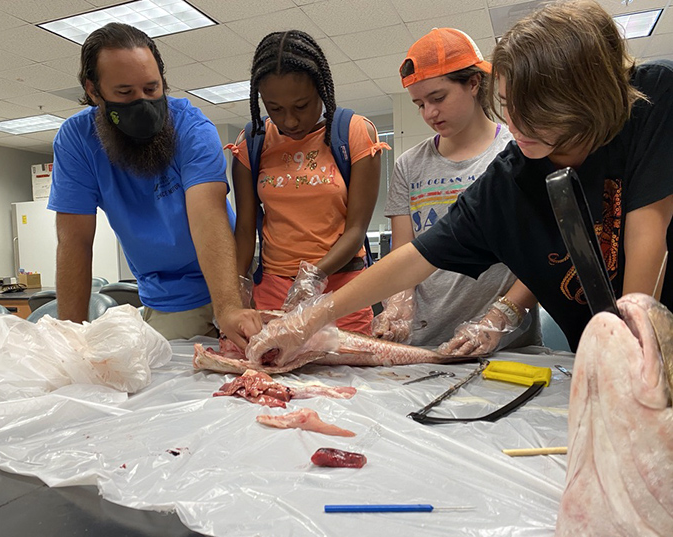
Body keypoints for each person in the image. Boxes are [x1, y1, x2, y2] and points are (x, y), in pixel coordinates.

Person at [245, 0, 673, 366]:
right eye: (507, 106)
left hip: (646, 347)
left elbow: (647, 236)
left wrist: (627, 357)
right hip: (601, 356)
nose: (518, 126)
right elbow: (417, 255)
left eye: (538, 111)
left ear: (585, 95)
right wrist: (311, 318)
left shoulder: (651, 100)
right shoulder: (511, 178)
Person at [48, 23, 261, 347]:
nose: (143, 103)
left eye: (151, 89)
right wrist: (70, 337)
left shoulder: (192, 127)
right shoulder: (76, 141)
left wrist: (230, 307)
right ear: (93, 91)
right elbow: (74, 241)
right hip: (169, 293)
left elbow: (207, 216)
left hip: (229, 273)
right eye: (125, 93)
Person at [371, 27, 540, 352]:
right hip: (424, 342)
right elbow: (404, 252)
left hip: (504, 346)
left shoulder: (517, 152)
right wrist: (398, 302)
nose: (429, 113)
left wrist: (498, 318)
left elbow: (542, 255)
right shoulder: (409, 165)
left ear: (474, 83)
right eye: (419, 104)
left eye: (438, 98)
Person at [226, 30, 389, 334]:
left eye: (301, 106)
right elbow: (245, 230)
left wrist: (314, 277)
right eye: (275, 109)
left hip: (342, 289)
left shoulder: (354, 133)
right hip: (274, 292)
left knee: (348, 380)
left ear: (322, 91)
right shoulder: (252, 142)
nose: (289, 121)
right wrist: (235, 295)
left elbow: (355, 230)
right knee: (271, 378)